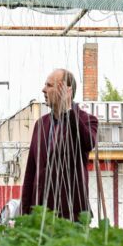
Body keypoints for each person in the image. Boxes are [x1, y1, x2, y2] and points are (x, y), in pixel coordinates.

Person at [20, 69, 99, 222]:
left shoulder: (86, 120)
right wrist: (25, 213)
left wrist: (68, 110)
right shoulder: (41, 124)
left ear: (67, 91)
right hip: (39, 214)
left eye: (49, 85)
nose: (43, 90)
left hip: (71, 214)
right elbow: (31, 172)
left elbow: (88, 142)